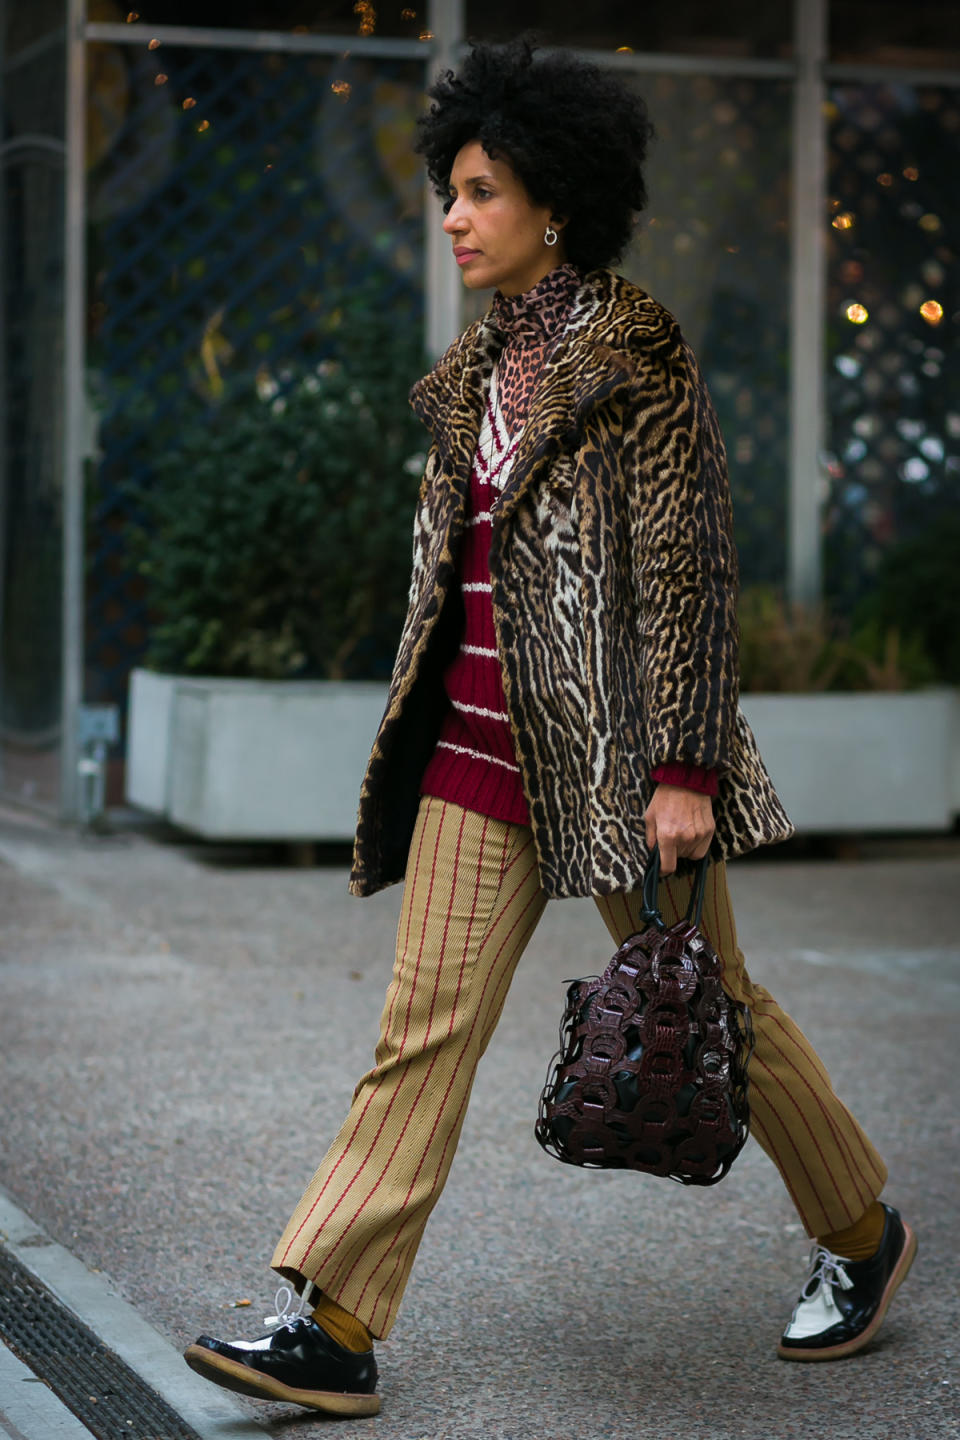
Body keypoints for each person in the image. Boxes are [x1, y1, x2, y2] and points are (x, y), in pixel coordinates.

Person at [184, 39, 915, 1417]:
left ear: (554, 203)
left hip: (624, 769)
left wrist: (685, 771)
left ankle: (863, 1239)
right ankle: (330, 1317)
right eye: (449, 191)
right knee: (421, 1031)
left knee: (718, 1018)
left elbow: (692, 573)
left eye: (478, 190)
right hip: (474, 761)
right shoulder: (474, 372)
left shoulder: (634, 359)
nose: (451, 216)